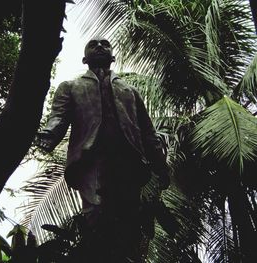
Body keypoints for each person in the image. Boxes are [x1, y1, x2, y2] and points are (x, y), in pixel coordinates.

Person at [35, 36, 170, 262]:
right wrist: (47, 137)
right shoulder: (71, 87)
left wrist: (160, 164)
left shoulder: (130, 91)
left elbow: (148, 132)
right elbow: (57, 118)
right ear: (84, 58)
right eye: (93, 45)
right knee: (96, 214)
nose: (99, 47)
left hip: (128, 163)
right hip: (92, 161)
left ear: (113, 57)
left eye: (105, 44)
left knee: (128, 221)